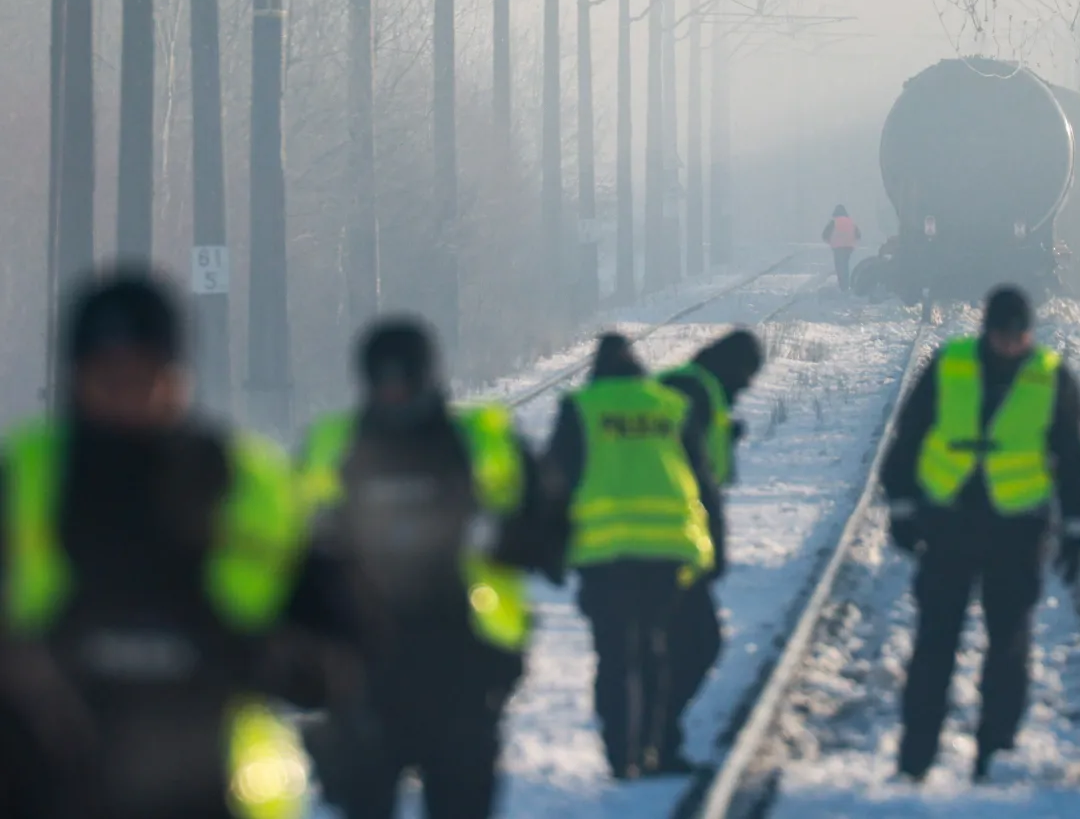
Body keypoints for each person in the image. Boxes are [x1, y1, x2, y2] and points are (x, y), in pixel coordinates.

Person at [0, 268, 360, 819]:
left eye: (146, 374)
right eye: (108, 376)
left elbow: (341, 641)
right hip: (45, 785)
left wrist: (264, 659)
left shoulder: (248, 484)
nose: (128, 394)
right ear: (75, 377)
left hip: (215, 787)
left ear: (180, 374)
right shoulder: (24, 478)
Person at [297, 316, 560, 819]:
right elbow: (285, 559)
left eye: (405, 381)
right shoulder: (330, 447)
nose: (394, 395)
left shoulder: (483, 441)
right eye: (384, 382)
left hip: (465, 667)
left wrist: (498, 538)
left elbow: (551, 531)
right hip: (361, 677)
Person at [879, 284, 1080, 783]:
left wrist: (1076, 525)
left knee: (1008, 643)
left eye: (1019, 335)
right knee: (935, 641)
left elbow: (1075, 455)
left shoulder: (1051, 376)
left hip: (1017, 530)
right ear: (987, 330)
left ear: (1029, 333)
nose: (1010, 343)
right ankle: (916, 757)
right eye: (1002, 334)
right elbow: (910, 433)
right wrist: (901, 505)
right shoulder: (949, 365)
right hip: (948, 523)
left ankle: (994, 752)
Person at [542, 333, 720, 779]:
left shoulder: (582, 408)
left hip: (603, 554)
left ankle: (622, 755)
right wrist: (714, 545)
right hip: (667, 548)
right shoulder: (669, 405)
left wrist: (550, 551)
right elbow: (702, 478)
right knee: (657, 649)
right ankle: (655, 747)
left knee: (616, 656)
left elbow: (554, 482)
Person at [657, 329, 764, 769]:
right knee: (697, 642)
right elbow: (691, 471)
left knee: (684, 644)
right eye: (748, 374)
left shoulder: (696, 386)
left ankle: (658, 740)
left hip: (675, 535)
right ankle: (658, 739)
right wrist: (715, 546)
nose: (748, 386)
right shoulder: (692, 389)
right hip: (671, 538)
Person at [822, 204, 862, 291]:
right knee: (845, 265)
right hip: (849, 247)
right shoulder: (851, 222)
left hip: (837, 247)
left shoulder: (834, 222)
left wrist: (829, 241)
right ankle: (846, 284)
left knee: (839, 266)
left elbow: (825, 235)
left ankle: (842, 285)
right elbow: (858, 235)